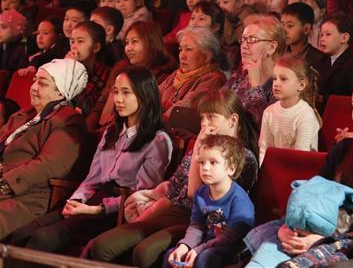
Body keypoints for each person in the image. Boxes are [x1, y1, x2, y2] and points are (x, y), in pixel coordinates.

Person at [244, 77, 353, 267]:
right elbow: (314, 195)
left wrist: (319, 239)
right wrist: (289, 228)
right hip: (312, 229)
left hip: (352, 241)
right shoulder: (344, 149)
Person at [86, 90, 259, 268]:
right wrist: (151, 197)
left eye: (211, 117)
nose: (205, 124)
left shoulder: (243, 159)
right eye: (202, 118)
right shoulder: (206, 147)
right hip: (174, 209)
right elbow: (175, 186)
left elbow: (196, 194)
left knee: (145, 253)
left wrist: (200, 144)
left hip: (200, 220)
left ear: (232, 120)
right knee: (101, 246)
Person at [11, 66, 172, 254]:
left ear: (144, 96)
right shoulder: (111, 133)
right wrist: (76, 200)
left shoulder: (158, 140)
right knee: (21, 234)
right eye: (116, 92)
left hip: (116, 211)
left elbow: (140, 196)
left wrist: (96, 210)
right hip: (90, 199)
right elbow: (92, 179)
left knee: (44, 238)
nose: (118, 99)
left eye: (126, 93)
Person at [0, 59, 89, 238]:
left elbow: (48, 165)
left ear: (61, 91)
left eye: (42, 83)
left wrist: (5, 183)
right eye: (34, 80)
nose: (33, 87)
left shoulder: (68, 121)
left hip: (26, 197)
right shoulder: (24, 115)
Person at [164, 134, 254, 268]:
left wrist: (198, 250)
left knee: (206, 257)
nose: (205, 168)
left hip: (232, 249)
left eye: (213, 162)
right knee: (171, 255)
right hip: (207, 244)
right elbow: (196, 226)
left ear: (231, 168)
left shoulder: (240, 200)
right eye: (202, 162)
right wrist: (185, 245)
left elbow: (229, 238)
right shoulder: (201, 193)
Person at [259, 54, 320, 163]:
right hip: (276, 169)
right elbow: (265, 149)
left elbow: (301, 156)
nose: (276, 83)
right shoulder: (269, 112)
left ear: (301, 85)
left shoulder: (305, 115)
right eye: (274, 78)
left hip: (299, 172)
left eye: (283, 79)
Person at [159, 27, 228, 122]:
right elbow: (153, 95)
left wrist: (155, 124)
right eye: (180, 49)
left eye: (189, 49)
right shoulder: (176, 74)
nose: (182, 56)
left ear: (207, 56)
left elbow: (185, 106)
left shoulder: (214, 79)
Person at [229, 14, 286, 127]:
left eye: (252, 40)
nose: (244, 46)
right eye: (243, 40)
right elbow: (216, 108)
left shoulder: (284, 83)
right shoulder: (239, 78)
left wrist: (255, 87)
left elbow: (269, 126)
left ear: (271, 47)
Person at [315, 13, 353, 106]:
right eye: (321, 35)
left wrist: (324, 98)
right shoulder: (321, 60)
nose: (322, 39)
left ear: (344, 37)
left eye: (328, 34)